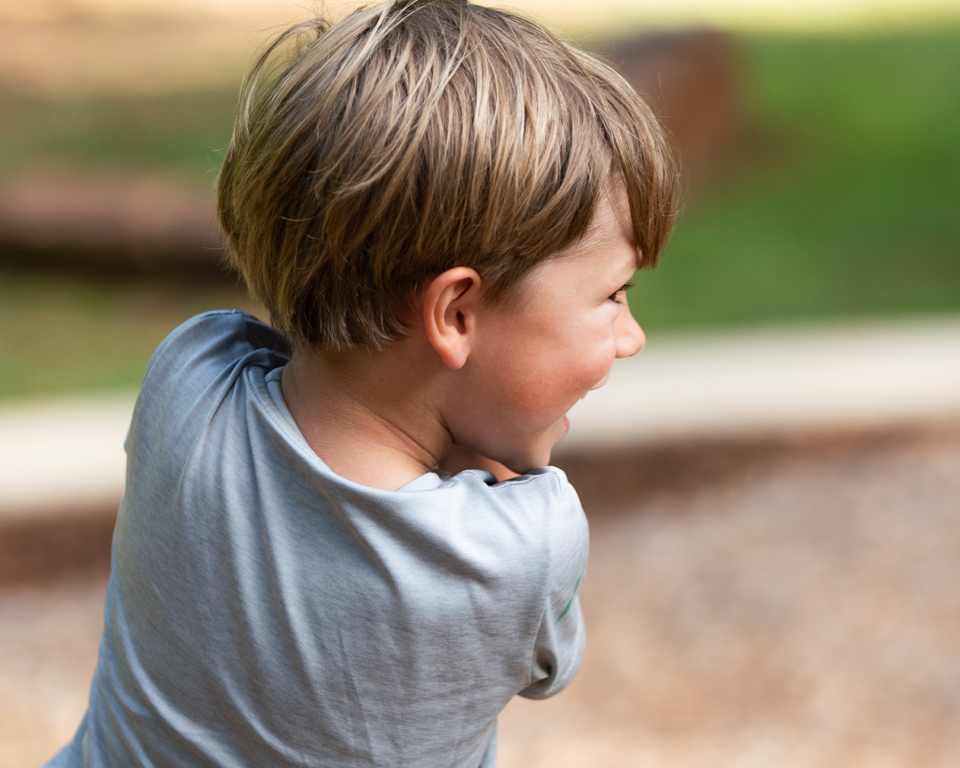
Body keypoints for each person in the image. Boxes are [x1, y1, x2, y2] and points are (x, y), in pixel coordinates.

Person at [45, 1, 678, 765]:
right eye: (611, 296)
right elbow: (549, 669)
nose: (631, 335)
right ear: (455, 312)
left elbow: (287, 346)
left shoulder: (188, 379)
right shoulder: (524, 542)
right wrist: (497, 472)